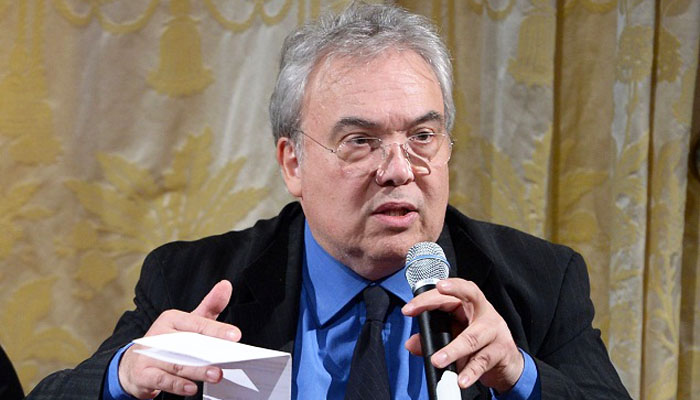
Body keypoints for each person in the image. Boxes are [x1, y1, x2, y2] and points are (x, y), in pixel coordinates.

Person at [27, 2, 631, 399]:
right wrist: (123, 376)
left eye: (423, 136)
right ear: (293, 162)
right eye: (361, 141)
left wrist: (520, 376)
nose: (399, 170)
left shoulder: (538, 283)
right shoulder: (196, 281)